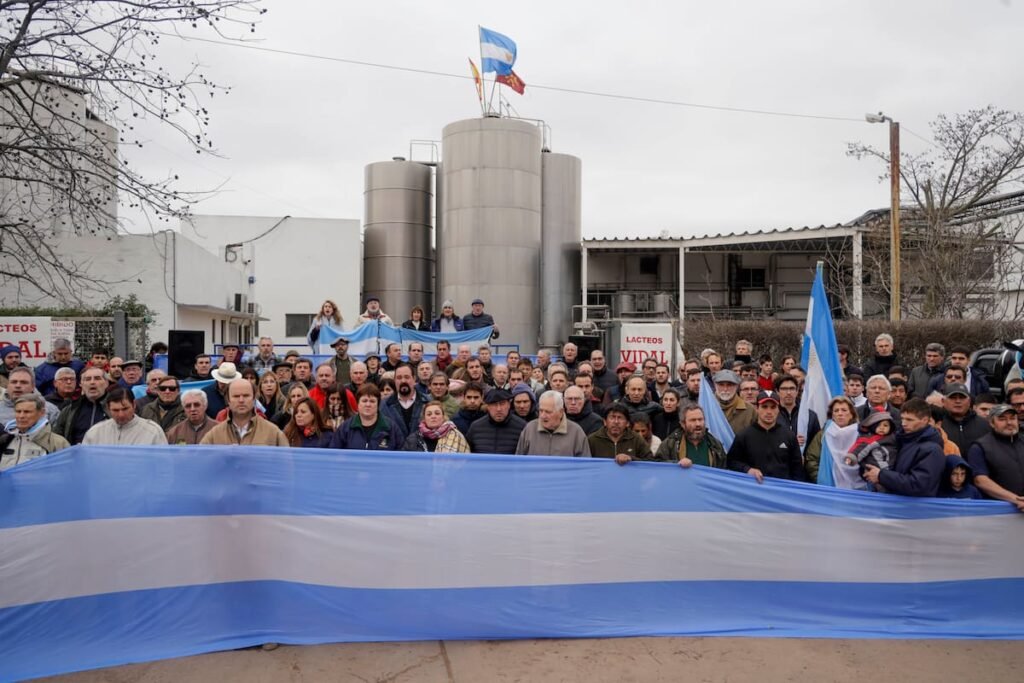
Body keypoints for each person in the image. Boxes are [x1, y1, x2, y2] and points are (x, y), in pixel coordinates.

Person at [863, 398, 944, 497]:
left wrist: (881, 476)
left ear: (925, 420)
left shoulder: (932, 450)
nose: (903, 423)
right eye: (902, 419)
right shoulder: (899, 440)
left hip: (913, 505)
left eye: (909, 420)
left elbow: (919, 485)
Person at [727, 390, 805, 483]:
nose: (769, 412)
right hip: (755, 487)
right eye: (764, 407)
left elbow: (797, 470)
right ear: (757, 408)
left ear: (778, 409)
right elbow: (731, 462)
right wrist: (747, 469)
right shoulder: (744, 435)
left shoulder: (789, 436)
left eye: (773, 407)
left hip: (782, 489)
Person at [964, 404, 1024, 510]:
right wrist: (1016, 499)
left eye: (1012, 418)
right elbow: (980, 480)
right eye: (1002, 419)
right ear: (991, 423)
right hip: (998, 512)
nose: (1009, 422)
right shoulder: (979, 447)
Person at [201, 379, 289, 446]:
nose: (241, 400)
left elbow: (286, 463)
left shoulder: (273, 433)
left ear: (254, 399)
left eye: (246, 395)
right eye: (236, 396)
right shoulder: (214, 435)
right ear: (228, 401)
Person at [0, 394, 71, 471]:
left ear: (42, 413)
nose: (21, 416)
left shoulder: (57, 443)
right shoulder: (5, 440)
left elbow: (66, 471)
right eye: (18, 411)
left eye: (27, 412)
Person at [516, 390, 591, 457]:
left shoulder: (576, 432)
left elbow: (585, 464)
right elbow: (518, 460)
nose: (543, 416)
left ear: (561, 412)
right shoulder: (530, 429)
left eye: (548, 412)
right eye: (541, 411)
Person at [329, 383, 403, 451]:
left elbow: (401, 455)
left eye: (372, 401)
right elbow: (333, 454)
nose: (368, 404)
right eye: (364, 401)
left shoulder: (391, 429)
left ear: (378, 404)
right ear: (358, 403)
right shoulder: (345, 428)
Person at [82, 387, 167, 445]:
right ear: (108, 408)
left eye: (125, 409)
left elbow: (163, 462)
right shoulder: (95, 432)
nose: (121, 415)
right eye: (115, 410)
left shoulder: (153, 431)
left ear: (134, 405)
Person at [803, 396, 858, 482]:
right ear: (832, 415)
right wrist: (821, 478)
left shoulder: (859, 435)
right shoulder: (823, 435)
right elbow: (812, 459)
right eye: (836, 411)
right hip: (829, 485)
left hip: (855, 485)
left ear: (851, 414)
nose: (840, 413)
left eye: (844, 410)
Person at [655, 403, 728, 469]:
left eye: (700, 419)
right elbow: (657, 465)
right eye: (693, 420)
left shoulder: (715, 445)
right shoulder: (671, 444)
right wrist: (677, 464)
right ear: (683, 424)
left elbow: (724, 470)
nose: (698, 424)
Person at [52, 366, 108, 444]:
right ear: (81, 384)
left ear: (106, 383)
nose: (92, 382)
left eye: (97, 378)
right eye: (87, 379)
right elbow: (57, 437)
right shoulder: (70, 409)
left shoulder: (117, 407)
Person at [466, 388, 526, 455]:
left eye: (502, 404)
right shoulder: (475, 427)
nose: (498, 409)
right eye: (494, 404)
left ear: (509, 405)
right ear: (488, 406)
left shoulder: (522, 427)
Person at [588, 403, 652, 464]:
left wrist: (631, 459)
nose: (616, 422)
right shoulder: (593, 440)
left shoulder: (636, 439)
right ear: (605, 421)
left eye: (620, 418)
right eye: (612, 417)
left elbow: (651, 461)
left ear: (627, 423)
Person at [402, 400, 471, 453]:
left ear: (443, 417)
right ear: (424, 419)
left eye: (437, 413)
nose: (433, 416)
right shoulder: (413, 439)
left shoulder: (456, 436)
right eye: (429, 414)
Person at [940, 383, 990, 456]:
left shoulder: (984, 425)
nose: (958, 401)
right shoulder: (937, 423)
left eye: (962, 397)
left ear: (969, 401)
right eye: (953, 397)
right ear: (943, 401)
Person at [385, 364, 428, 437]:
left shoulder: (428, 402)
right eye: (399, 378)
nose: (403, 381)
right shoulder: (384, 406)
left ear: (414, 379)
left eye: (407, 377)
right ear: (394, 380)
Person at [713, 370, 756, 437]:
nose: (725, 389)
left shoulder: (749, 410)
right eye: (721, 385)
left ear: (736, 386)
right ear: (715, 385)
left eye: (729, 385)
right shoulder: (705, 408)